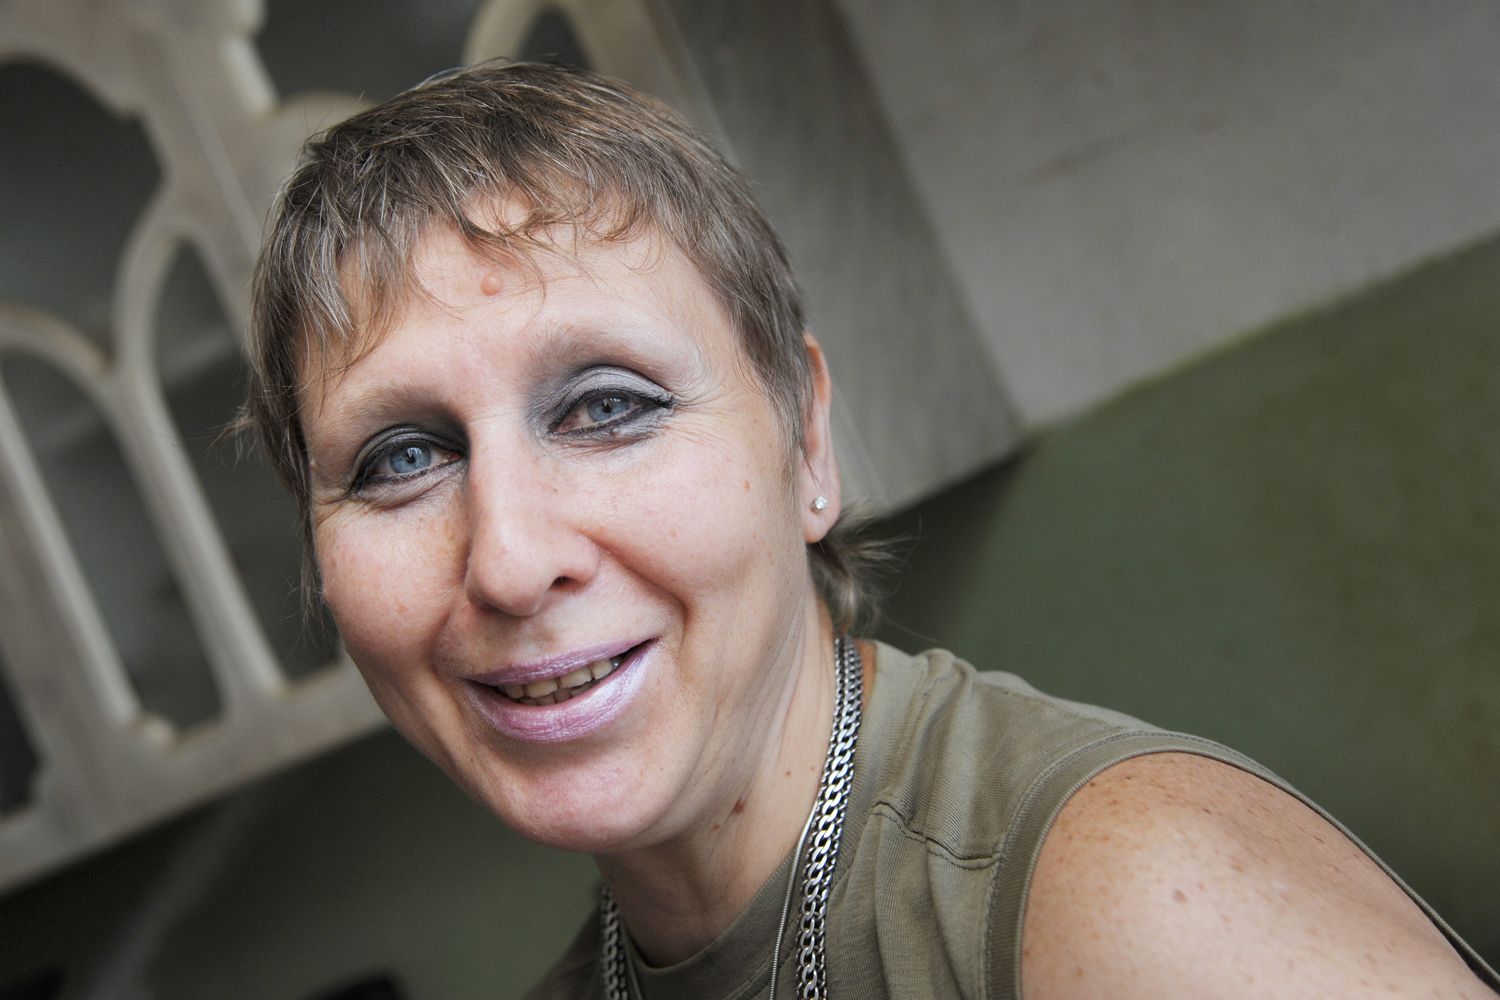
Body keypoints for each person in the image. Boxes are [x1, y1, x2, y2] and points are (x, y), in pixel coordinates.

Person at [244, 62, 1499, 999]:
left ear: (806, 443)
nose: (512, 560)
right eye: (400, 458)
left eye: (609, 406)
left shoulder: (1128, 901)